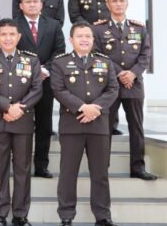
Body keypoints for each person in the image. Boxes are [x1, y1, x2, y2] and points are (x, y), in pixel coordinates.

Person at [51, 22, 119, 226]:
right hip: (72, 125)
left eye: (88, 36)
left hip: (99, 125)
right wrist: (82, 107)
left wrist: (95, 108)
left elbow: (113, 89)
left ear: (93, 39)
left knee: (100, 173)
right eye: (80, 36)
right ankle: (66, 215)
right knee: (68, 173)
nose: (84, 40)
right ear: (71, 39)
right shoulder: (60, 63)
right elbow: (58, 89)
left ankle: (102, 215)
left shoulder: (104, 61)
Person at [0, 19, 43, 226]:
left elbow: (37, 89)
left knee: (22, 169)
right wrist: (7, 107)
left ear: (19, 37)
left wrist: (18, 109)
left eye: (11, 34)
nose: (7, 38)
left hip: (23, 121)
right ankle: (0, 214)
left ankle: (20, 215)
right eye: (3, 34)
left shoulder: (31, 60)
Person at [93, 0, 157, 180]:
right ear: (108, 4)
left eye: (122, 0)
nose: (118, 4)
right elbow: (97, 55)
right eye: (114, 1)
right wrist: (120, 73)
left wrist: (133, 73)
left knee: (136, 127)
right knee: (105, 128)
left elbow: (145, 55)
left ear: (127, 3)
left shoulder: (139, 28)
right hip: (109, 85)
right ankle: (102, 168)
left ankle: (138, 168)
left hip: (134, 85)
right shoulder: (98, 29)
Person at [14, 0, 65, 179]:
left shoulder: (53, 25)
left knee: (44, 125)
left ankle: (42, 165)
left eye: (35, 1)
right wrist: (33, 71)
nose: (32, 4)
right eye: (28, 2)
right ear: (21, 6)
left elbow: (60, 50)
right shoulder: (14, 25)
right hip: (21, 82)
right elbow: (11, 49)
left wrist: (45, 70)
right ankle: (21, 165)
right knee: (22, 125)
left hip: (46, 81)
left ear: (41, 5)